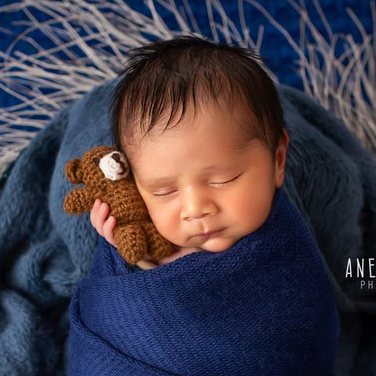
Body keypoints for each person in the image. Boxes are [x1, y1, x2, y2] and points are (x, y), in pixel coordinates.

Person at [88, 35, 290, 269]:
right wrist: (139, 256)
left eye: (223, 180)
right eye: (164, 192)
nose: (195, 209)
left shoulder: (287, 239)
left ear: (278, 160)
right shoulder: (154, 243)